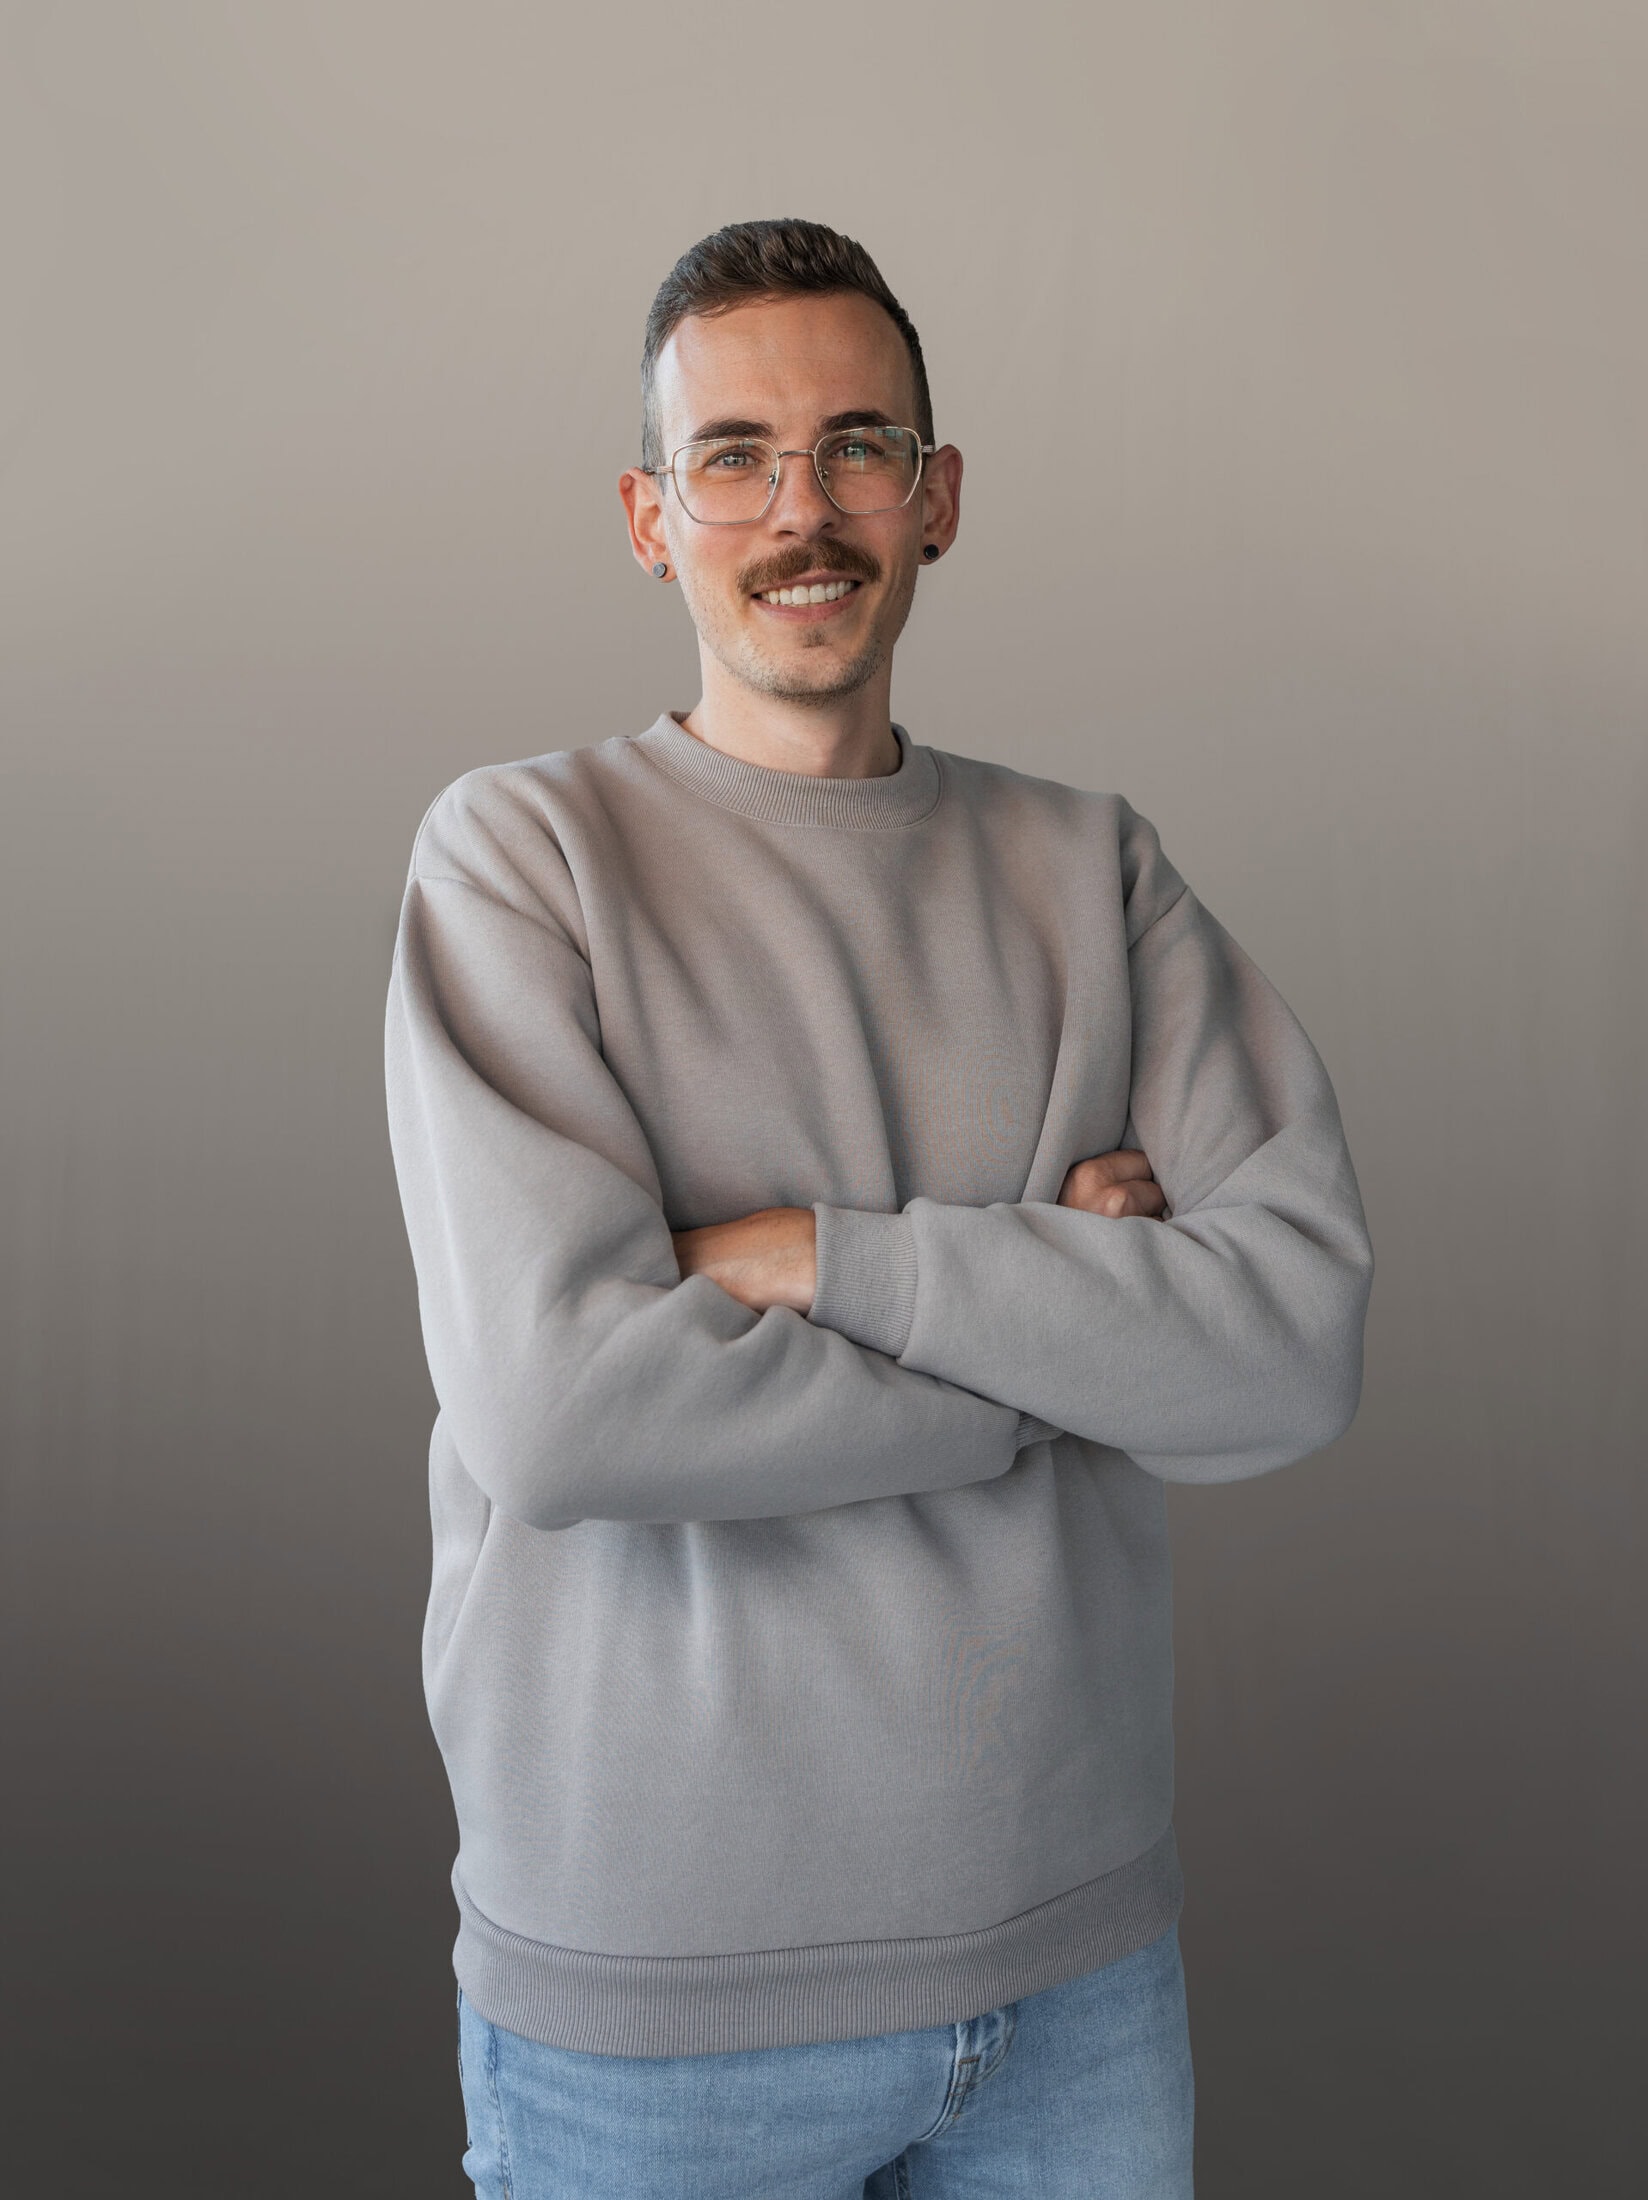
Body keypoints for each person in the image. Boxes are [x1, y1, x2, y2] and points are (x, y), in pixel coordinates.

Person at [383, 217, 1374, 2199]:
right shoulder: (521, 860)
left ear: (937, 499)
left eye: (856, 446)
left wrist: (815, 1262)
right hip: (653, 2010)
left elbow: (1290, 1349)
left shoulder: (1092, 871)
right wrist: (1067, 1334)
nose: (799, 509)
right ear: (650, 520)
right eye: (733, 457)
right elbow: (565, 1414)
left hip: (1076, 1976)